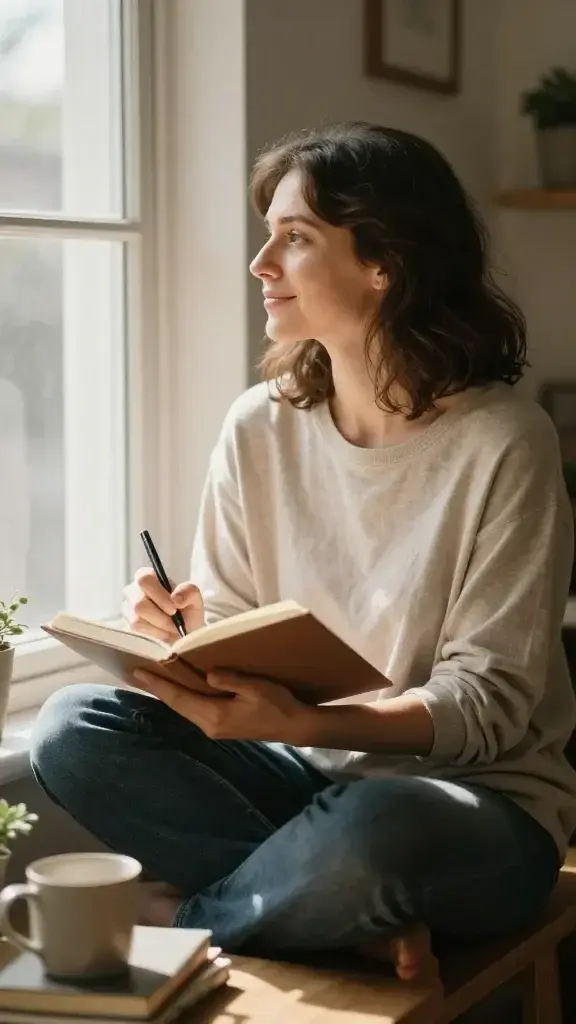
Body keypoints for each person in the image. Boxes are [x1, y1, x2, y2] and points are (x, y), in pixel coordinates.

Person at [30, 123, 576, 983]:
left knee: (378, 827)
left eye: (296, 237)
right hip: (303, 779)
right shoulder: (260, 425)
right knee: (72, 727)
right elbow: (242, 621)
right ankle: (330, 915)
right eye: (268, 235)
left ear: (385, 260)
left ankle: (191, 916)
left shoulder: (507, 440)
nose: (261, 264)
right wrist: (191, 638)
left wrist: (307, 723)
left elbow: (490, 706)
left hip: (471, 805)